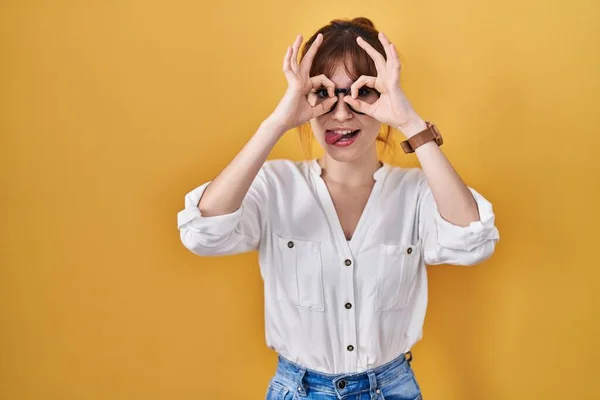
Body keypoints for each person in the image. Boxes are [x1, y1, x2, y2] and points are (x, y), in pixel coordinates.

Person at [177, 17, 499, 400]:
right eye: (325, 94)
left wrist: (410, 121)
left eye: (362, 94)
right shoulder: (275, 186)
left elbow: (473, 241)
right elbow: (202, 233)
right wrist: (278, 121)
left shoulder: (416, 194)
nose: (342, 114)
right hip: (296, 390)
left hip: (392, 389)